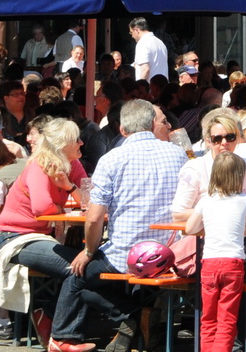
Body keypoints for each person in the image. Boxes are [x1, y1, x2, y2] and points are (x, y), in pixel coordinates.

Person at [53, 99, 185, 352]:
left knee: (76, 275)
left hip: (127, 253)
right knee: (91, 275)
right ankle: (136, 316)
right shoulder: (177, 153)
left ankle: (65, 337)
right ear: (150, 124)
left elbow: (93, 217)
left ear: (122, 130)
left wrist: (89, 251)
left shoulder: (112, 159)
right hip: (169, 251)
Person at [0, 117, 87, 347]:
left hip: (41, 237)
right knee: (77, 267)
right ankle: (61, 335)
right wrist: (65, 204)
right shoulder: (39, 165)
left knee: (87, 266)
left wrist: (69, 187)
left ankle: (49, 318)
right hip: (14, 238)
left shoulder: (73, 165)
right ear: (62, 144)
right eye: (76, 139)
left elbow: (91, 202)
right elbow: (41, 208)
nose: (82, 143)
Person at [184, 152, 246, 352]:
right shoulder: (245, 200)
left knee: (208, 319)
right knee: (227, 320)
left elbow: (189, 228)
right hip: (233, 263)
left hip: (209, 263)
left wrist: (210, 228)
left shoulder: (206, 200)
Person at [129, 18, 170, 83]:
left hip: (150, 88)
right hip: (163, 87)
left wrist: (139, 87)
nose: (132, 36)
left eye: (131, 33)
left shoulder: (142, 43)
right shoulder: (160, 43)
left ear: (136, 30)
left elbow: (145, 69)